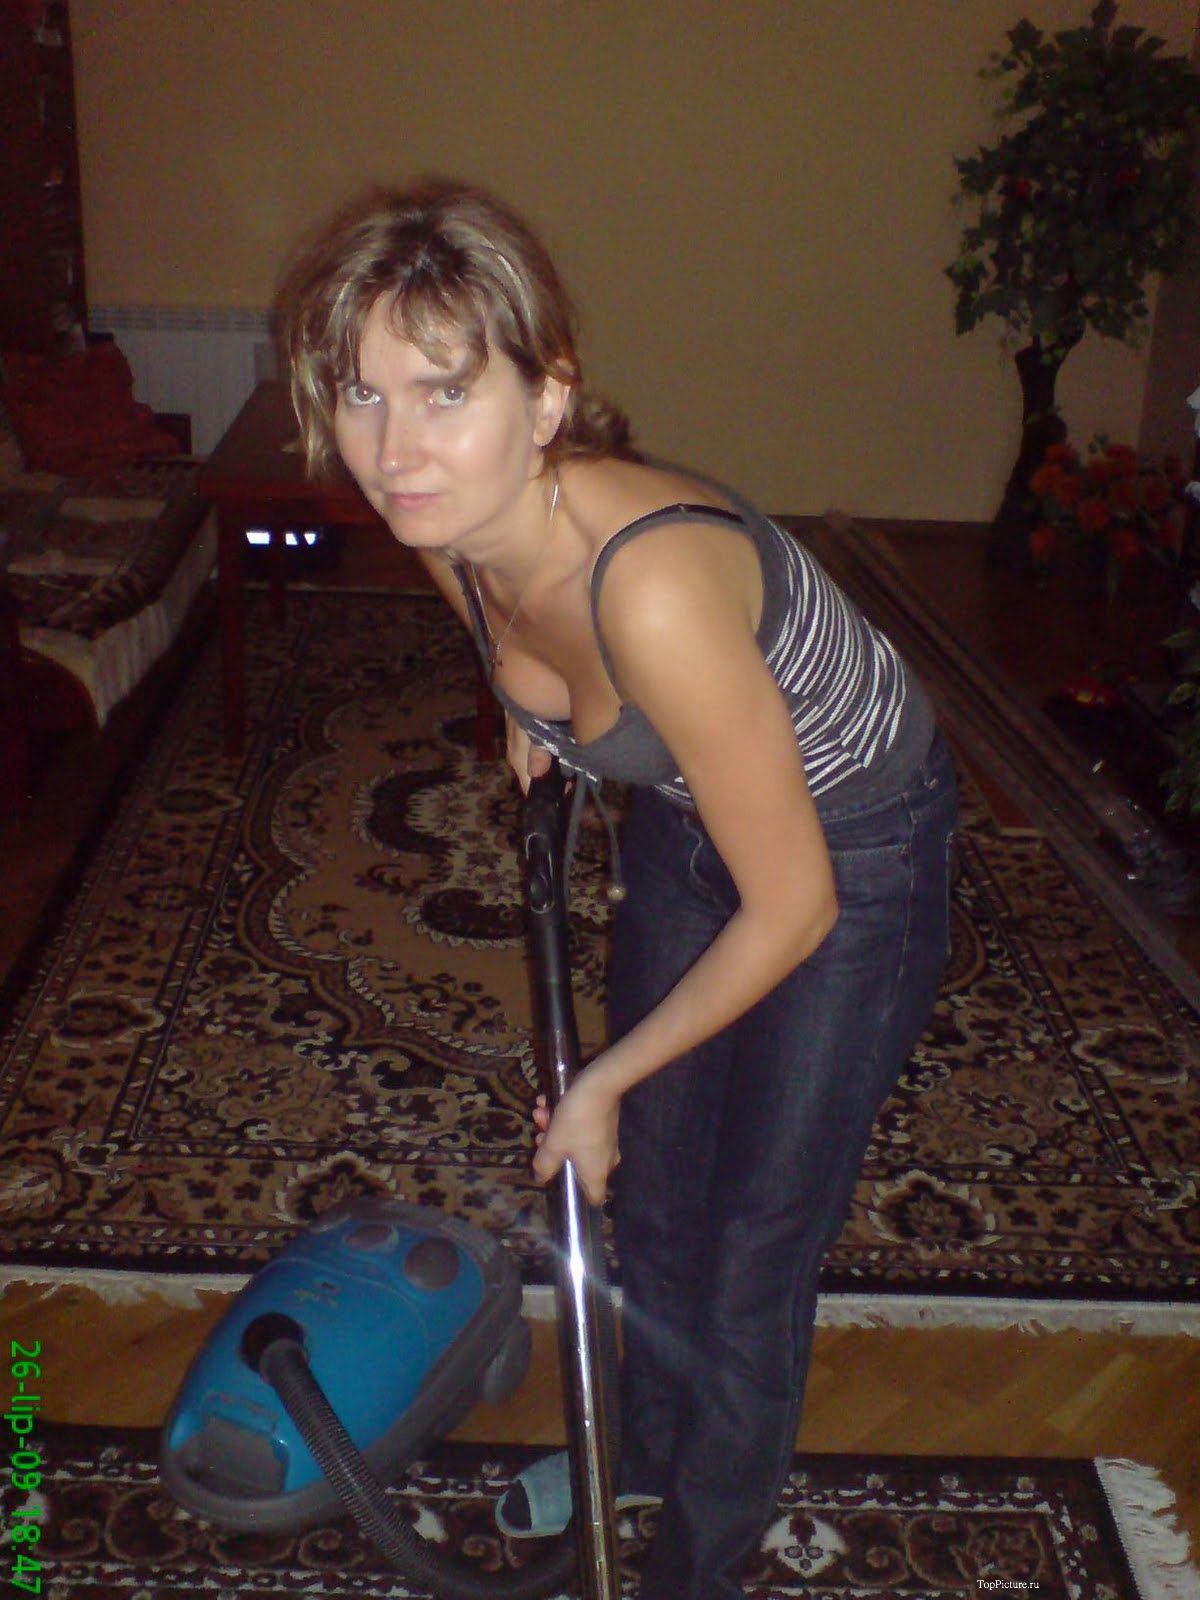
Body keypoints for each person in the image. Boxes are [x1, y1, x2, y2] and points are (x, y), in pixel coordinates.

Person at [280, 177, 958, 1600]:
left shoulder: (649, 584)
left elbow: (796, 907)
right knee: (653, 1188)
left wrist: (600, 1080)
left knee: (753, 1244)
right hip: (691, 806)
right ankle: (633, 1453)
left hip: (854, 850)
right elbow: (498, 626)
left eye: (445, 392)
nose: (394, 450)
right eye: (361, 395)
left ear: (545, 399)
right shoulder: (446, 521)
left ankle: (695, 1564)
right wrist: (531, 718)